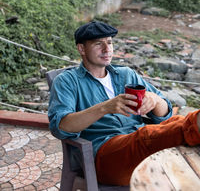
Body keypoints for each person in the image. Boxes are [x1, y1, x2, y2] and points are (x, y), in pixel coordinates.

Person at [48, 21, 200, 186]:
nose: (107, 49)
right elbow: (60, 127)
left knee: (174, 123)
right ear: (82, 49)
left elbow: (165, 115)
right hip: (104, 156)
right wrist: (105, 107)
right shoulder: (68, 81)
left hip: (140, 148)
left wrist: (155, 101)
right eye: (99, 44)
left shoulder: (126, 74)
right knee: (145, 137)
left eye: (110, 42)